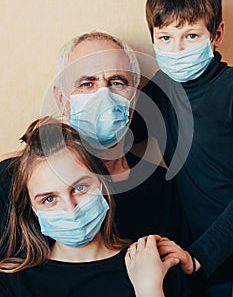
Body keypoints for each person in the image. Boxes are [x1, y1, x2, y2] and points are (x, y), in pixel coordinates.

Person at [0, 32, 188, 257]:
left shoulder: (160, 187)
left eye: (117, 82)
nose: (103, 96)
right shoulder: (11, 180)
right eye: (87, 83)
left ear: (135, 99)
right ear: (62, 100)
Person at [0, 117, 191, 296]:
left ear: (103, 184)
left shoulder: (153, 266)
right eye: (49, 199)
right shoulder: (13, 284)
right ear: (33, 208)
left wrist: (150, 290)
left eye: (79, 188)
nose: (70, 208)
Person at [131, 0, 233, 296]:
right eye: (165, 38)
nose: (176, 50)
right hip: (187, 266)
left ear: (216, 34)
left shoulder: (230, 90)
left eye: (190, 36)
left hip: (213, 257)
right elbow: (115, 139)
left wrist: (200, 256)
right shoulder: (160, 90)